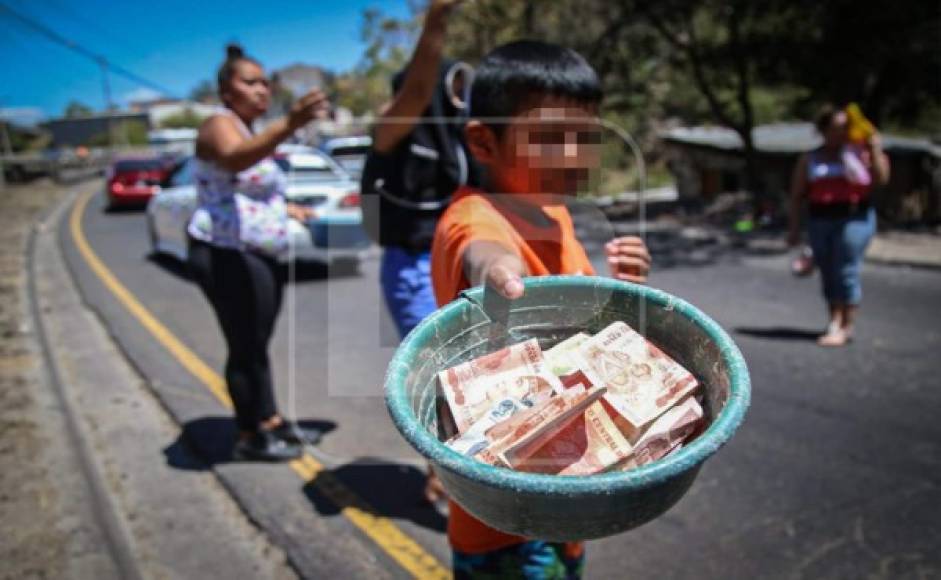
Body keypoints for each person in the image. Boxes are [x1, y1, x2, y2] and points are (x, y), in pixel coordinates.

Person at [430, 40, 652, 579]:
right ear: (484, 141)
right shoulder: (474, 216)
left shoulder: (554, 213)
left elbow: (584, 331)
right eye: (553, 138)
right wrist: (499, 272)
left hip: (564, 493)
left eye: (587, 137)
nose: (578, 155)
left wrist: (623, 288)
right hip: (506, 522)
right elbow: (481, 250)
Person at [187, 44, 330, 460]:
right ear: (226, 91)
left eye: (266, 83)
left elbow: (247, 192)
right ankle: (249, 436)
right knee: (244, 345)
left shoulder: (252, 131)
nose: (261, 90)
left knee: (257, 343)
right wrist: (291, 122)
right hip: (224, 253)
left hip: (258, 252)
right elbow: (233, 161)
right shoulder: (219, 124)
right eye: (250, 82)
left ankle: (270, 420)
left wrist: (289, 209)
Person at [362, 0, 476, 340]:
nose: (460, 99)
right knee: (440, 370)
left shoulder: (462, 140)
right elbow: (417, 92)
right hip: (417, 268)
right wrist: (437, 17)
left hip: (463, 260)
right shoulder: (393, 134)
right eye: (451, 90)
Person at [788, 104, 890, 347]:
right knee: (828, 270)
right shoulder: (810, 158)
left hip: (855, 218)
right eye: (835, 129)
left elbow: (882, 179)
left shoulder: (861, 154)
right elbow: (797, 194)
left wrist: (874, 147)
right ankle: (834, 320)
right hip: (820, 219)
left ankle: (846, 326)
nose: (841, 134)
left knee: (846, 269)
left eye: (845, 128)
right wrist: (793, 228)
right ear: (823, 131)